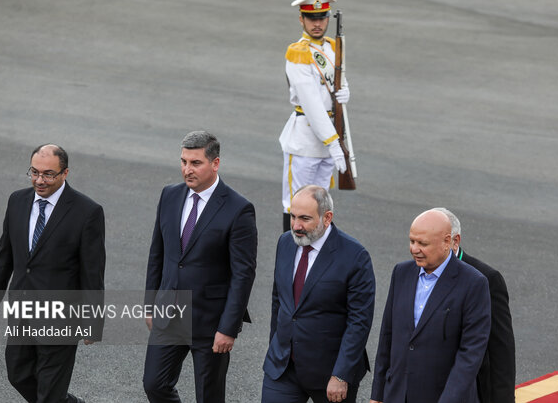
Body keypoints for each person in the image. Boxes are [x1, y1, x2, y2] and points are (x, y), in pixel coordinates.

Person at [0, 144, 106, 403]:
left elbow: (93, 273)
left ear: (65, 173)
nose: (39, 180)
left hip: (61, 316)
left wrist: (92, 323)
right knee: (18, 374)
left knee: (49, 390)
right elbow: (4, 258)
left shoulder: (87, 212)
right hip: (22, 310)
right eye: (34, 172)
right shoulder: (17, 201)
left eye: (48, 174)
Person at [143, 131, 258, 403]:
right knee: (154, 384)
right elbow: (157, 254)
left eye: (195, 163)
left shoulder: (239, 209)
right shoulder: (169, 195)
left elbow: (243, 274)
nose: (187, 169)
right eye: (183, 162)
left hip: (211, 322)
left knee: (209, 396)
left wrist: (229, 327)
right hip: (170, 313)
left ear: (215, 164)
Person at [262, 185, 375, 403]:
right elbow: (280, 300)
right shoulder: (285, 242)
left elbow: (359, 321)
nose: (296, 226)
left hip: (330, 375)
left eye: (305, 218)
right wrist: (274, 349)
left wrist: (341, 374)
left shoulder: (355, 256)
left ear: (327, 217)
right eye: (293, 216)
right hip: (283, 368)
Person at [370, 209, 491, 403]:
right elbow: (387, 337)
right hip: (397, 396)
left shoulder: (474, 284)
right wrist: (378, 394)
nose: (414, 249)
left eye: (423, 243)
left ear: (448, 242)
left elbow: (470, 355)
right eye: (412, 241)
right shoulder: (401, 273)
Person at [280, 0, 351, 232]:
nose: (317, 24)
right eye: (311, 18)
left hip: (330, 135)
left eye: (321, 18)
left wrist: (345, 92)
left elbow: (338, 80)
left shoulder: (331, 47)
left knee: (320, 206)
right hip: (307, 140)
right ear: (302, 20)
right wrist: (333, 142)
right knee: (296, 204)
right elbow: (311, 104)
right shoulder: (298, 53)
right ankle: (291, 259)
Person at [433, 207, 516, 403]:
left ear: (454, 241)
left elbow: (501, 351)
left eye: (432, 242)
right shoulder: (413, 271)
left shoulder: (487, 279)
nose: (420, 249)